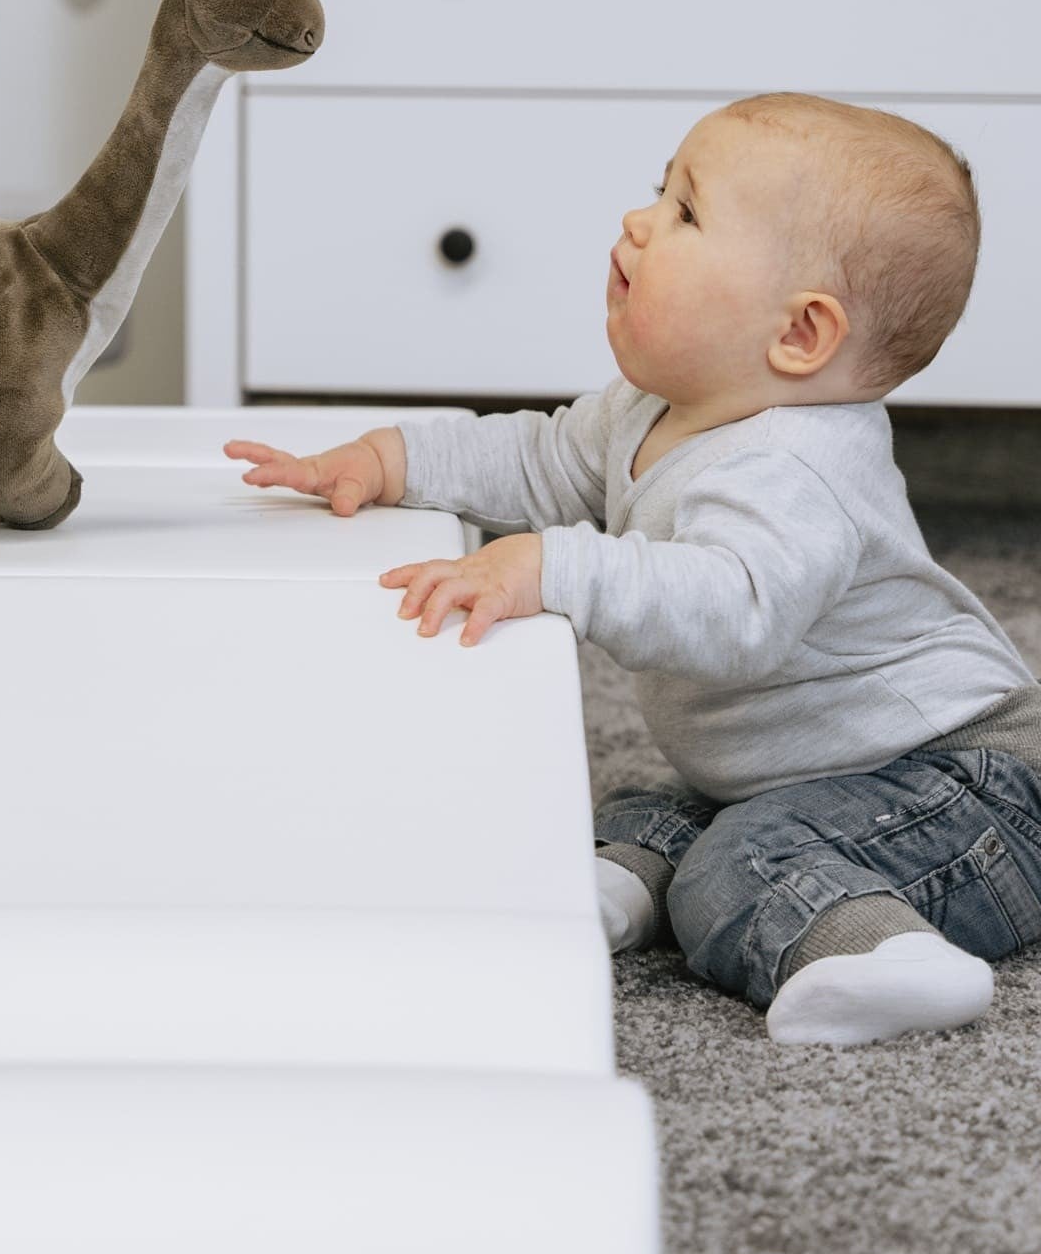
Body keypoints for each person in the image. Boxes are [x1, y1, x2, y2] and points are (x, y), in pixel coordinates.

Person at [224, 91, 1041, 1048]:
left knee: (743, 859)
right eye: (662, 190)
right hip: (818, 772)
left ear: (800, 335)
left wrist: (556, 568)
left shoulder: (797, 468)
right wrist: (387, 460)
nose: (638, 221)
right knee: (648, 807)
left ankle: (887, 958)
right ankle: (627, 884)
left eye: (685, 213)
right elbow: (537, 461)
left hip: (971, 790)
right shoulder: (652, 406)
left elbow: (736, 610)